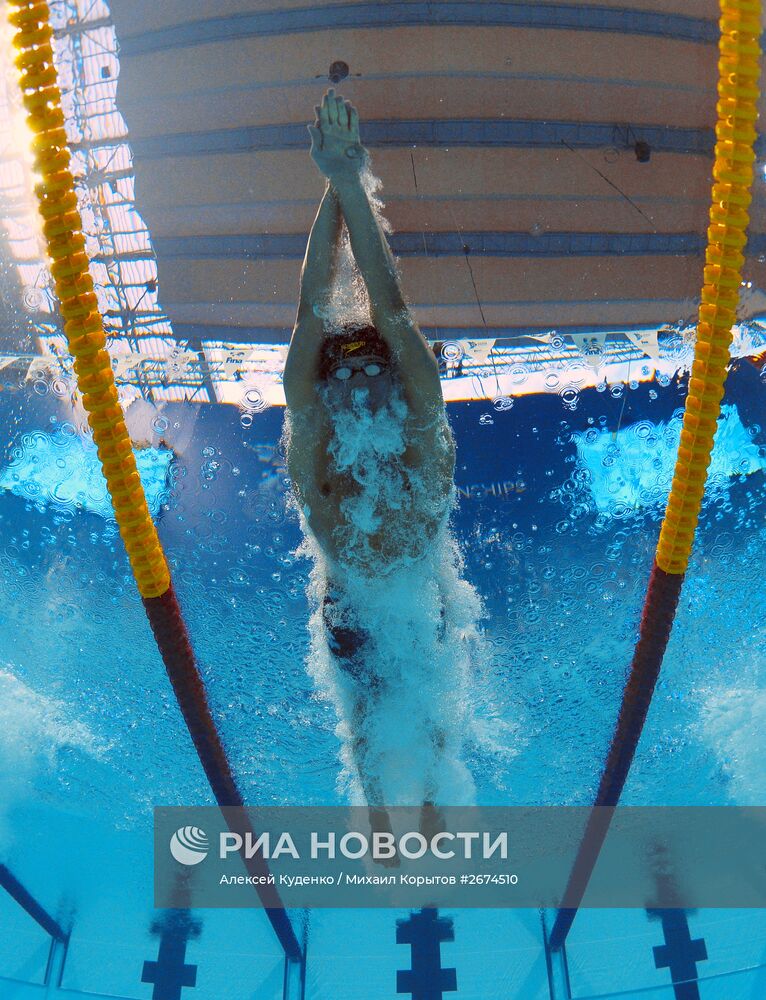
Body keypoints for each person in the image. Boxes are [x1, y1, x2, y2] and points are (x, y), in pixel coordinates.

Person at [282, 90, 456, 844]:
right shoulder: (316, 434)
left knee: (432, 695)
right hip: (348, 597)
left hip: (417, 591)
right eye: (340, 378)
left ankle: (434, 804)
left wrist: (349, 184)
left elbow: (392, 313)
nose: (354, 388)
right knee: (363, 711)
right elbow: (311, 316)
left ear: (396, 375)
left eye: (369, 372)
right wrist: (334, 184)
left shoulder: (422, 424)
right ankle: (382, 816)